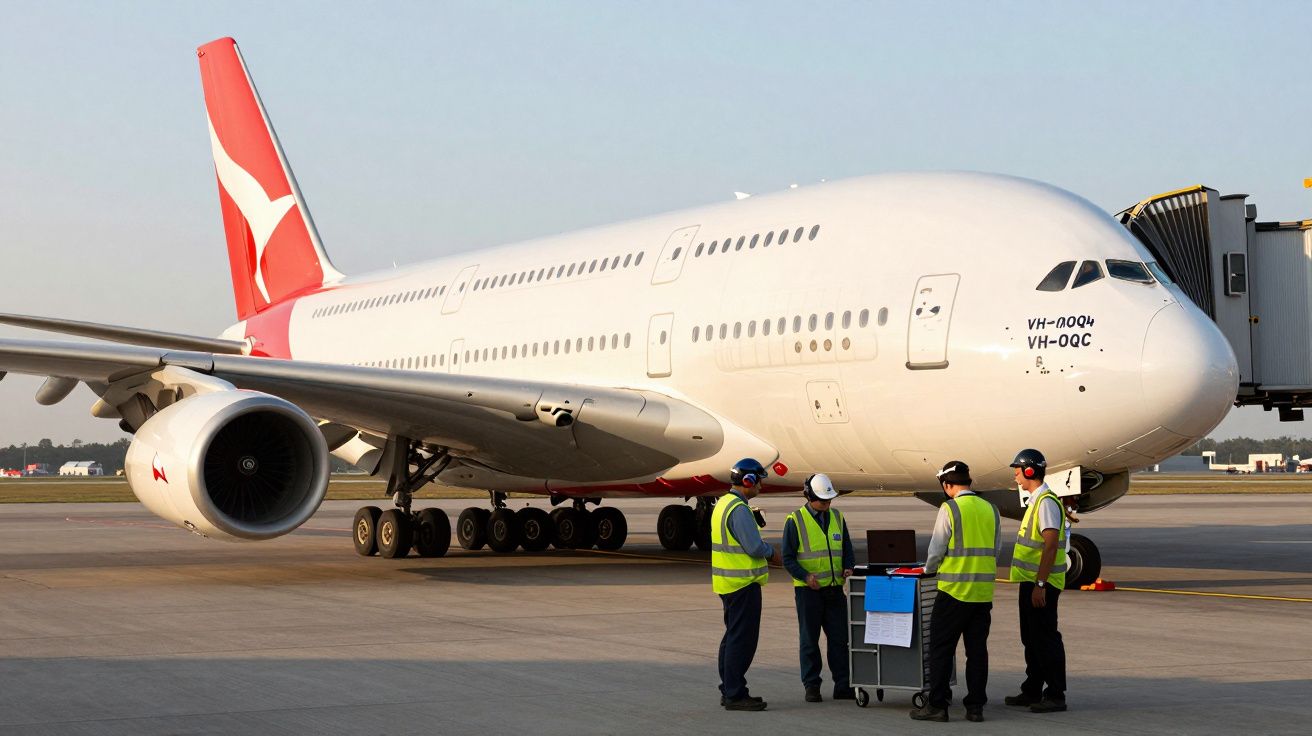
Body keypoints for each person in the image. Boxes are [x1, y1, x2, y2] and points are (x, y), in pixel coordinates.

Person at [910, 461, 1001, 723]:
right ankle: (975, 707)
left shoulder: (949, 508)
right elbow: (995, 549)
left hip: (953, 592)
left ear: (947, 485)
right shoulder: (991, 509)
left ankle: (937, 705)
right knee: (977, 652)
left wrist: (928, 569)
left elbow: (937, 547)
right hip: (982, 594)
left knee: (940, 649)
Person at [713, 458, 783, 711]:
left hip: (728, 583)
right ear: (747, 481)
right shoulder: (739, 509)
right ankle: (734, 694)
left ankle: (729, 688)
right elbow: (753, 547)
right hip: (742, 584)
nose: (761, 486)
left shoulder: (723, 503)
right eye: (759, 480)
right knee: (742, 641)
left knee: (732, 638)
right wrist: (773, 553)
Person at [781, 473, 856, 703]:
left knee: (839, 640)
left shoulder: (837, 517)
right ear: (809, 496)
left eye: (829, 500)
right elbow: (788, 558)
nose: (827, 504)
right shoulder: (795, 521)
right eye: (823, 501)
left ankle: (843, 685)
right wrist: (805, 576)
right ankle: (812, 686)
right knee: (809, 640)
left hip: (834, 590)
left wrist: (848, 567)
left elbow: (847, 549)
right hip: (809, 592)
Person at [1005, 448, 1069, 713]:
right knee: (1030, 638)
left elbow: (1051, 545)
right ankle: (1032, 689)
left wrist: (1040, 585)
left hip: (1041, 584)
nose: (1016, 477)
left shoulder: (1046, 503)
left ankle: (1055, 694)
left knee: (1045, 638)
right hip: (1030, 581)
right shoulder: (1036, 502)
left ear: (1029, 471)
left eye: (1018, 471)